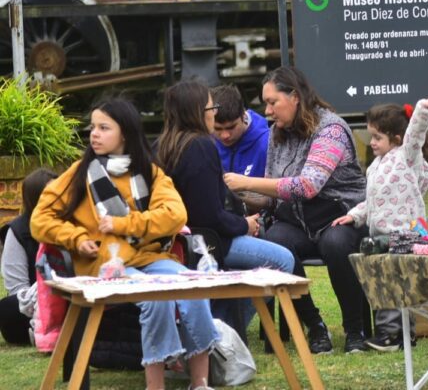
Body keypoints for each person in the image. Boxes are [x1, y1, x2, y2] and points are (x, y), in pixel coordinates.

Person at [30, 98, 218, 390]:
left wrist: (124, 223)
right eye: (93, 127)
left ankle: (201, 383)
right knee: (156, 299)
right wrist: (77, 238)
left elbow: (175, 214)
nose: (94, 134)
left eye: (104, 128)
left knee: (194, 287)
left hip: (149, 258)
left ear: (125, 134)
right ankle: (154, 386)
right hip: (104, 265)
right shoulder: (79, 173)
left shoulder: (150, 172)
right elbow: (40, 219)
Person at [223, 67, 368, 354]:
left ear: (296, 97)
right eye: (265, 103)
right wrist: (234, 192)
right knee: (275, 242)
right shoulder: (278, 133)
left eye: (272, 102)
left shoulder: (331, 129)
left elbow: (307, 186)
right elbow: (275, 199)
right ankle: (314, 326)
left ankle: (355, 330)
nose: (267, 111)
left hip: (340, 215)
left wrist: (248, 181)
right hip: (300, 220)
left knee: (335, 243)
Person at [155, 80, 294, 330]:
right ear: (196, 112)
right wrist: (244, 224)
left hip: (175, 240)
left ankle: (216, 323)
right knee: (282, 260)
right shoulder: (200, 146)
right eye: (210, 108)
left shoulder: (162, 144)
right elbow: (209, 216)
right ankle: (226, 330)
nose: (214, 113)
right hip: (205, 242)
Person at [332, 95, 428, 351]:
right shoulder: (375, 167)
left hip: (405, 232)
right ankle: (400, 334)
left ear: (396, 138)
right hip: (383, 234)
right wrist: (356, 214)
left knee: (393, 280)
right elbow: (373, 201)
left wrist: (423, 109)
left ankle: (393, 335)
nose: (371, 143)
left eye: (377, 137)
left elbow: (415, 132)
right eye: (371, 136)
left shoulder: (407, 156)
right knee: (383, 279)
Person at [0, 168, 58, 346]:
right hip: (36, 299)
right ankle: (43, 327)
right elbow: (18, 289)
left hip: (72, 292)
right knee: (7, 307)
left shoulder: (73, 224)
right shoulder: (18, 231)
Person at [210, 84, 271, 212]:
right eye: (218, 129)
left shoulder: (266, 143)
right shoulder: (205, 141)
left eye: (231, 127)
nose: (225, 135)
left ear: (243, 116)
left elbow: (273, 198)